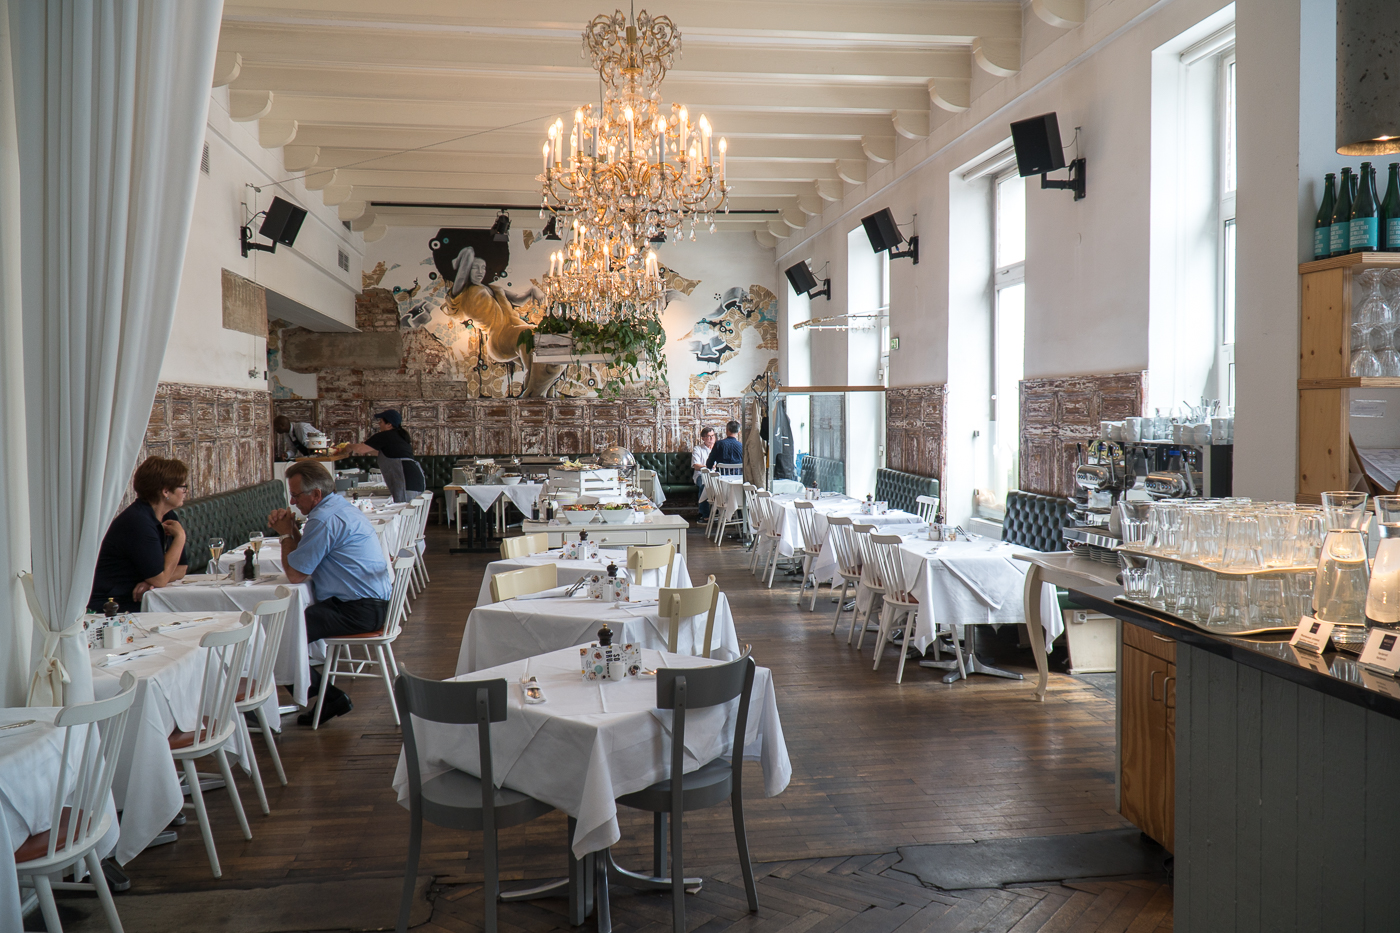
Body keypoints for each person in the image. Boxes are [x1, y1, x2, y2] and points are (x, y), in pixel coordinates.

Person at [268, 460, 393, 726]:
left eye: (296, 495)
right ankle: (325, 696)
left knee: (276, 636)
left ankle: (325, 698)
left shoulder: (324, 519)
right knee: (284, 630)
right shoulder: (338, 509)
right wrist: (291, 531)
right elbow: (307, 560)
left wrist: (284, 536)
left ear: (316, 495)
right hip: (372, 605)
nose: (292, 502)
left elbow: (296, 574)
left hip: (358, 610)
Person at [89, 457, 190, 612]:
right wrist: (180, 538)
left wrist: (150, 582)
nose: (185, 492)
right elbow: (161, 579)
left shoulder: (169, 517)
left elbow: (181, 569)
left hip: (142, 599)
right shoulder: (137, 522)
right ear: (165, 491)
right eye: (183, 487)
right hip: (113, 607)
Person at [346, 409, 425, 503]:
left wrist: (349, 446)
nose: (379, 424)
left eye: (381, 421)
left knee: (404, 511)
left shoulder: (385, 435)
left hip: (405, 482)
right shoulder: (399, 436)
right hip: (415, 480)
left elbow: (361, 449)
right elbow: (381, 453)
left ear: (389, 424)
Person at [692, 427, 717, 520]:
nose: (711, 438)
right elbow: (696, 465)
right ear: (703, 438)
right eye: (708, 436)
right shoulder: (698, 449)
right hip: (701, 475)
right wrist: (708, 467)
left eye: (713, 436)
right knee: (704, 484)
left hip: (716, 475)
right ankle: (705, 515)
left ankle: (722, 513)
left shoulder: (718, 448)